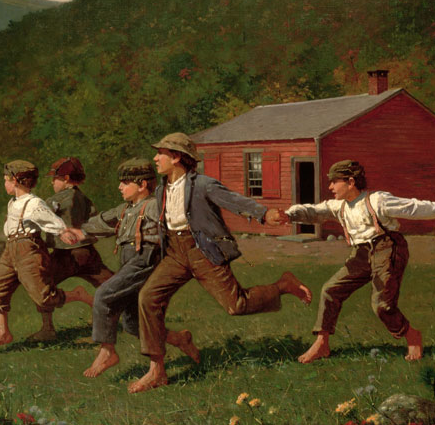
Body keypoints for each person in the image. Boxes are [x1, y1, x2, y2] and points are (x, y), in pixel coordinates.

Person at [132, 133, 312, 393]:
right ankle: (157, 371)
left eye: (160, 153)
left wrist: (263, 213)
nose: (155, 158)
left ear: (176, 157)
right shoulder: (161, 189)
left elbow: (233, 200)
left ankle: (283, 285)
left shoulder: (202, 184)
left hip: (203, 251)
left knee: (236, 306)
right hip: (175, 253)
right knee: (147, 298)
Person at [282, 160, 435, 363]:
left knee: (382, 305)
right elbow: (314, 212)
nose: (330, 187)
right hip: (361, 254)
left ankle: (411, 335)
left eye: (335, 182)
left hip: (388, 248)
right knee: (330, 290)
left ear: (351, 182)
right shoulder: (339, 206)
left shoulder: (377, 200)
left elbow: (413, 208)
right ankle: (321, 344)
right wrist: (288, 215)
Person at [77, 158, 199, 378]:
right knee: (133, 325)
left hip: (145, 261)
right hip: (130, 263)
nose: (119, 187)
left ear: (142, 185)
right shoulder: (126, 209)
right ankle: (180, 339)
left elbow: (177, 224)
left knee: (104, 294)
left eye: (125, 183)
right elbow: (103, 221)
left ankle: (107, 352)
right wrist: (77, 231)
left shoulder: (153, 205)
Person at [0, 160, 86, 351]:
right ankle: (3, 332)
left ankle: (76, 294)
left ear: (16, 181)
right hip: (11, 250)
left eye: (6, 180)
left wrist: (62, 231)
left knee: (44, 297)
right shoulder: (12, 202)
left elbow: (50, 221)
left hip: (29, 250)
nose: (4, 184)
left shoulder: (34, 203)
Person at [29, 157, 115, 342]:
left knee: (42, 286)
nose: (52, 182)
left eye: (55, 178)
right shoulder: (84, 198)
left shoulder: (56, 200)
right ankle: (125, 318)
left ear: (66, 178)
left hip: (67, 255)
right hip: (87, 252)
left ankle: (47, 329)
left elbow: (40, 217)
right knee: (112, 284)